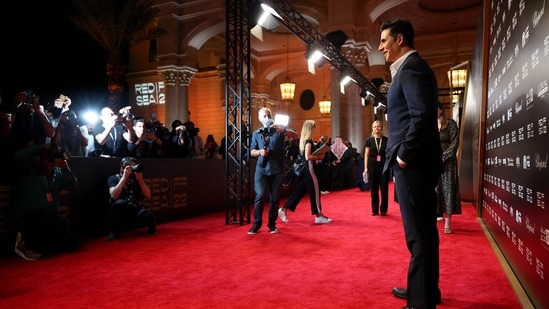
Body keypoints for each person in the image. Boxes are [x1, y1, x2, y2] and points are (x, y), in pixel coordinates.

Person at [379, 19, 443, 309]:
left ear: (400, 39)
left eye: (384, 40)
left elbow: (422, 115)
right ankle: (425, 291)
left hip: (413, 165)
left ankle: (421, 301)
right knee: (424, 232)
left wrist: (403, 156)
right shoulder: (409, 69)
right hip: (416, 164)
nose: (380, 46)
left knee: (418, 235)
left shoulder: (411, 67)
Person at [12, 144, 79, 260]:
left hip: (50, 219)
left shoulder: (58, 173)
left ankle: (39, 244)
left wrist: (65, 168)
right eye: (47, 158)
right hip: (29, 217)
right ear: (40, 159)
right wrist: (42, 147)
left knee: (71, 243)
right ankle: (23, 240)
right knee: (46, 248)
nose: (51, 161)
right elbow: (16, 156)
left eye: (53, 158)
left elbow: (73, 186)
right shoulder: (30, 170)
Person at [248, 107, 297, 234]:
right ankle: (256, 224)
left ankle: (272, 224)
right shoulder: (256, 133)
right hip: (261, 170)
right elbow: (252, 151)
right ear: (259, 118)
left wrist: (283, 129)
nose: (266, 118)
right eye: (263, 116)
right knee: (259, 196)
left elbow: (295, 135)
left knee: (274, 198)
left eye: (268, 115)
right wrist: (260, 152)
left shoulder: (279, 130)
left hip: (277, 170)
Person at [277, 120, 332, 224]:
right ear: (311, 128)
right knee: (315, 192)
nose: (315, 130)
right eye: (314, 127)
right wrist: (320, 156)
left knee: (300, 191)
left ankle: (283, 209)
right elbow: (308, 157)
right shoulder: (308, 141)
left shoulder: (305, 140)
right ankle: (318, 215)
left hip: (305, 169)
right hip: (309, 169)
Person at [106, 157, 156, 241]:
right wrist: (124, 178)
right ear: (122, 168)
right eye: (130, 167)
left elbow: (148, 196)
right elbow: (113, 196)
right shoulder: (113, 178)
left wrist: (140, 180)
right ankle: (113, 232)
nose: (133, 169)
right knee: (118, 204)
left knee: (148, 214)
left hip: (135, 208)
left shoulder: (137, 179)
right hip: (121, 208)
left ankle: (152, 230)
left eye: (134, 166)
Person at [436, 102, 461, 234]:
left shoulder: (451, 124)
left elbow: (455, 143)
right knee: (435, 190)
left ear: (441, 110)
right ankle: (436, 215)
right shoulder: (430, 125)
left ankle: (448, 223)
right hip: (433, 162)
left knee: (448, 190)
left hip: (448, 163)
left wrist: (444, 156)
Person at [363, 120, 389, 216]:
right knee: (374, 188)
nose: (376, 128)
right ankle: (374, 209)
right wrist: (365, 168)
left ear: (382, 128)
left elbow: (389, 154)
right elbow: (366, 155)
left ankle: (383, 209)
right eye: (374, 127)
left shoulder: (386, 140)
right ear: (372, 129)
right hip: (372, 164)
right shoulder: (369, 140)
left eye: (378, 126)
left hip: (383, 164)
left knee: (384, 188)